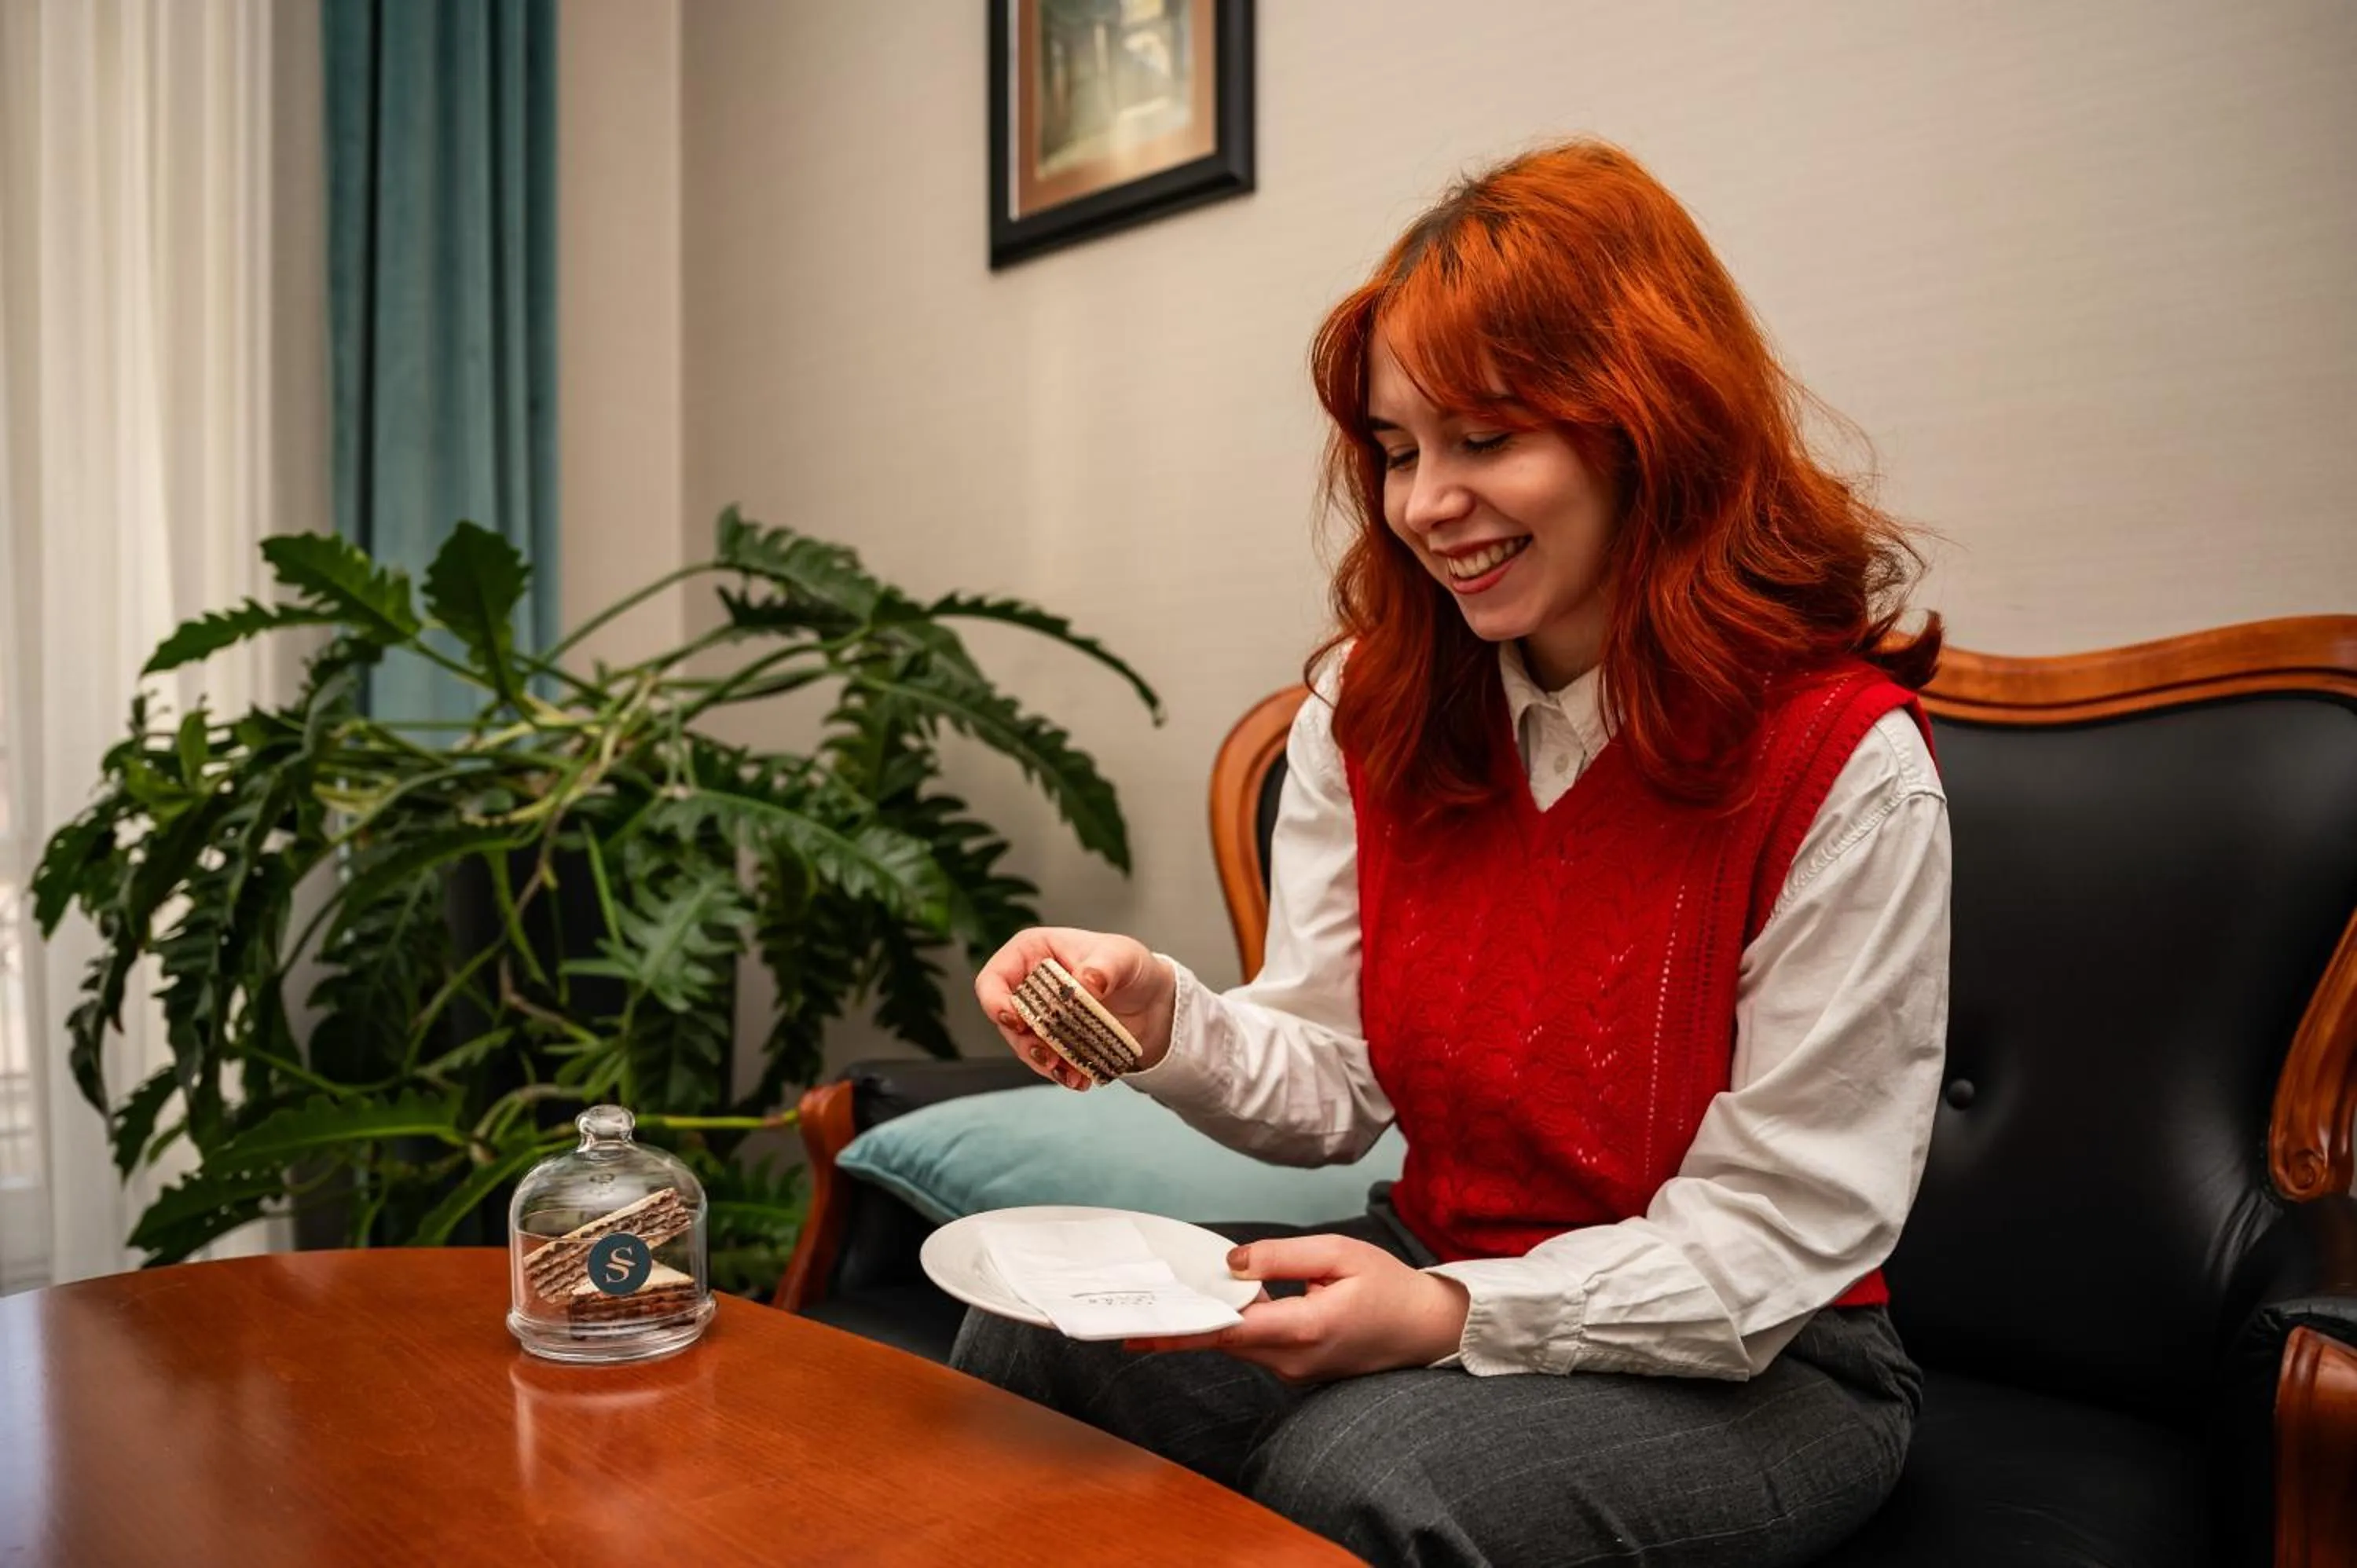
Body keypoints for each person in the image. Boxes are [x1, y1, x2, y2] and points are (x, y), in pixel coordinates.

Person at [955, 139, 1949, 1568]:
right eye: (1400, 450)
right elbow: (1336, 1085)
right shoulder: (1371, 717)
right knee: (1040, 1331)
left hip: (1773, 1361)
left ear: (1647, 423)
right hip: (1435, 1266)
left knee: (1366, 1466)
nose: (1425, 504)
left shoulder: (1843, 764)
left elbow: (1785, 1227)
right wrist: (1166, 1021)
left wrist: (1454, 1319)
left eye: (1486, 440)